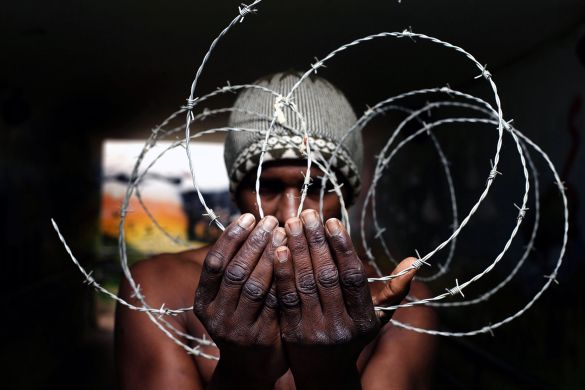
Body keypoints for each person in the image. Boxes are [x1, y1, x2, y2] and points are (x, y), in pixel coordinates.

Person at [115, 72, 437, 389]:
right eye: (266, 187)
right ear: (234, 192)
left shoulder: (400, 308)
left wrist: (329, 376)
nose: (289, 213)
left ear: (346, 197)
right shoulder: (160, 289)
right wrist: (242, 374)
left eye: (316, 188)